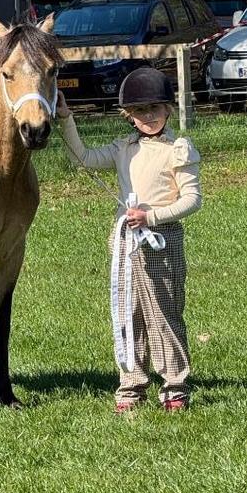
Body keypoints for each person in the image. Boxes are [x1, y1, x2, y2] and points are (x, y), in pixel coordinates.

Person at [56, 67, 202, 413]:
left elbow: (192, 199)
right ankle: (131, 384)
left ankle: (175, 385)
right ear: (129, 116)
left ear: (168, 109)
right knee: (128, 313)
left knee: (164, 313)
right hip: (125, 244)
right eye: (140, 111)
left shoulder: (177, 149)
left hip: (161, 242)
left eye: (155, 108)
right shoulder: (124, 148)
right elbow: (84, 159)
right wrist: (66, 119)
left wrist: (151, 216)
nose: (148, 116)